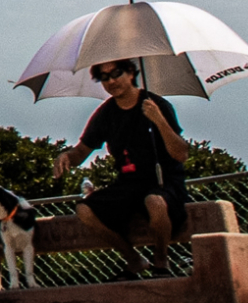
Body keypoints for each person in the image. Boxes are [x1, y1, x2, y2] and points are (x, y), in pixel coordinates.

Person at [53, 59, 191, 276]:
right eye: (104, 77)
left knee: (154, 201)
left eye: (116, 73)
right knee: (85, 209)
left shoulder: (156, 105)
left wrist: (158, 120)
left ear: (130, 73)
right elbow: (81, 151)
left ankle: (161, 262)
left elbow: (181, 153)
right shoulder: (105, 114)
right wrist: (65, 157)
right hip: (128, 185)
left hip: (163, 182)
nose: (111, 81)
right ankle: (133, 259)